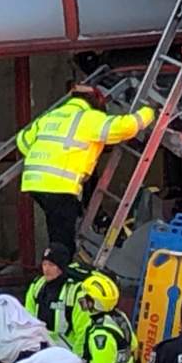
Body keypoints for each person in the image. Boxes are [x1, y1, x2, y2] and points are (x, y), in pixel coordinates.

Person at [16, 82, 155, 250]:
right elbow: (123, 127)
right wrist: (149, 111)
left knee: (56, 227)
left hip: (34, 182)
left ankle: (56, 264)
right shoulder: (88, 118)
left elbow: (22, 140)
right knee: (63, 238)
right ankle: (61, 270)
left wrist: (47, 155)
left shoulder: (51, 116)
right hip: (59, 185)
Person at [24, 243, 88, 351]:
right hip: (41, 350)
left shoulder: (74, 292)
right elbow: (27, 320)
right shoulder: (37, 286)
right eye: (44, 264)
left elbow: (83, 331)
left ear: (62, 267)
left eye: (51, 265)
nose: (46, 269)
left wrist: (76, 360)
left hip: (67, 353)